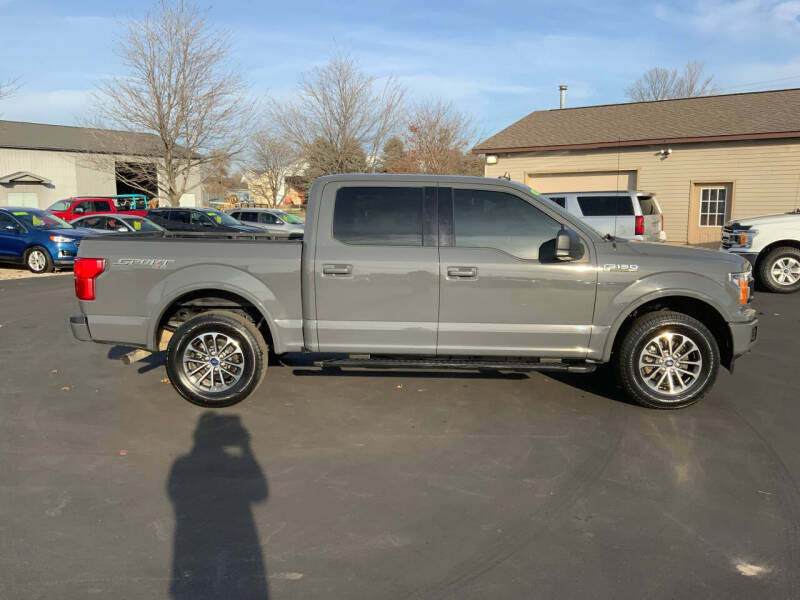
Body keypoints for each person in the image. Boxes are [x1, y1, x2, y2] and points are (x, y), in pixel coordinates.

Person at [168, 413, 268, 599]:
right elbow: (259, 491)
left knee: (202, 585)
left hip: (196, 540)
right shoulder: (232, 464)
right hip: (228, 540)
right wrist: (246, 447)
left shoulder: (183, 464)